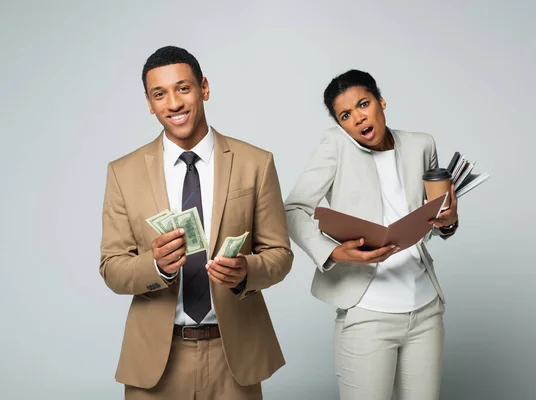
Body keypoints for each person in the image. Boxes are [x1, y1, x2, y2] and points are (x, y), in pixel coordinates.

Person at [100, 45, 293, 399]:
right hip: (156, 360)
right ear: (149, 102)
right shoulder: (122, 172)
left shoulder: (256, 163)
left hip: (234, 355)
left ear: (204, 88)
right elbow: (112, 267)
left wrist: (246, 270)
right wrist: (156, 266)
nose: (173, 103)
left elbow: (280, 254)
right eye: (160, 94)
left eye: (183, 88)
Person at [284, 69, 459, 400]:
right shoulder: (335, 146)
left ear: (381, 101)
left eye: (363, 104)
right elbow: (293, 209)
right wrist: (333, 253)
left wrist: (448, 220)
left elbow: (433, 220)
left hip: (425, 309)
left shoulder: (422, 144)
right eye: (345, 115)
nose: (357, 118)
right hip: (367, 313)